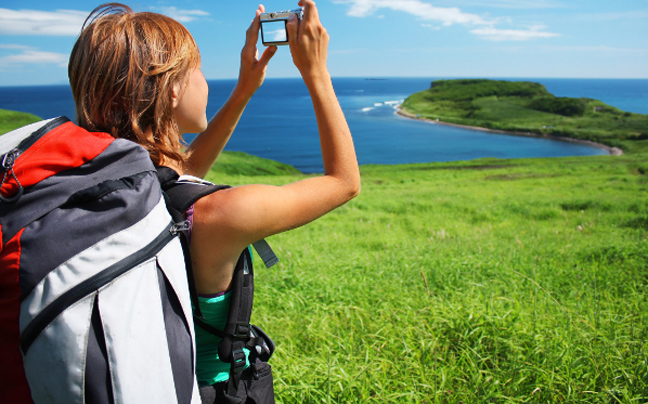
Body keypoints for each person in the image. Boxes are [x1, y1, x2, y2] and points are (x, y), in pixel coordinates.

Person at [68, 1, 360, 403]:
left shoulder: (98, 189)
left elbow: (178, 174)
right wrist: (316, 72)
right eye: (198, 70)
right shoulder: (220, 214)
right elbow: (343, 182)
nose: (205, 81)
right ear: (173, 89)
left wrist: (244, 90)